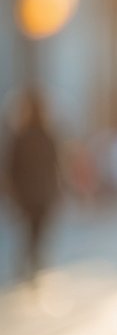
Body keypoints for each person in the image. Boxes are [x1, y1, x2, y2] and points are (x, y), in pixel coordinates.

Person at [3, 88, 62, 287]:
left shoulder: (21, 136)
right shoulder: (47, 134)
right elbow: (56, 165)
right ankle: (34, 264)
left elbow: (11, 168)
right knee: (37, 231)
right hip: (42, 193)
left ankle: (32, 264)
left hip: (28, 194)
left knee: (32, 231)